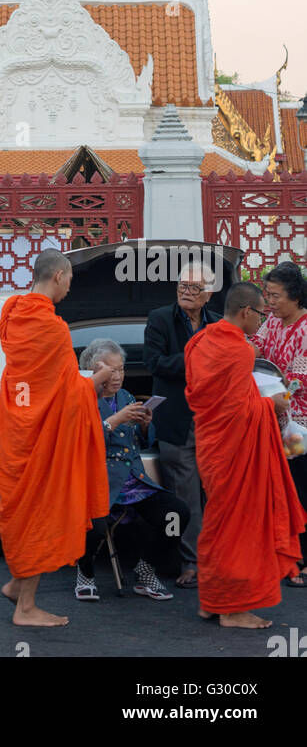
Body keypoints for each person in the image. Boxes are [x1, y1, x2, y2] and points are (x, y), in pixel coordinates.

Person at [0, 249, 111, 627]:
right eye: (70, 281)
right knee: (39, 511)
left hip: (18, 430)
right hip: (41, 436)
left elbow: (42, 382)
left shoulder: (12, 315)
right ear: (60, 275)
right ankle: (25, 608)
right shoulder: (53, 327)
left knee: (22, 507)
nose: (69, 290)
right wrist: (97, 380)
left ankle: (16, 583)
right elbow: (67, 394)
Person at [185, 281, 305, 629]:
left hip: (211, 448)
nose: (263, 323)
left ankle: (211, 600)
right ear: (246, 312)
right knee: (238, 525)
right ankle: (233, 609)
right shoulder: (240, 351)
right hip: (235, 451)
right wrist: (272, 404)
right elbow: (241, 411)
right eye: (261, 315)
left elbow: (213, 399)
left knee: (217, 523)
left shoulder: (200, 341)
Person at [75, 339, 190, 602]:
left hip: (134, 482)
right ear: (95, 371)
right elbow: (82, 444)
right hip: (99, 481)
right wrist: (115, 420)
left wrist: (146, 425)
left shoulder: (125, 397)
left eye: (122, 369)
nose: (118, 377)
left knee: (176, 515)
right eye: (112, 370)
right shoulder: (82, 399)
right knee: (93, 522)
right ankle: (85, 572)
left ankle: (146, 569)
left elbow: (138, 441)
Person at [143, 261, 222, 587]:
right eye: (182, 287)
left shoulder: (217, 324)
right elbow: (155, 363)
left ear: (209, 294)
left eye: (194, 288)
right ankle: (189, 563)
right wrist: (199, 358)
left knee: (218, 495)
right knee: (185, 497)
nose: (187, 293)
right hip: (176, 421)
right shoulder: (160, 318)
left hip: (213, 422)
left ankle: (219, 559)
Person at [252, 261, 307, 584]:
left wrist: (278, 398)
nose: (269, 302)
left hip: (297, 424)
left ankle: (300, 559)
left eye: (275, 296)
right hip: (270, 416)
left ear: (296, 296)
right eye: (267, 295)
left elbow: (300, 381)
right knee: (276, 489)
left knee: (299, 489)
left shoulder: (305, 329)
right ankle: (282, 555)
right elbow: (256, 349)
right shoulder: (271, 322)